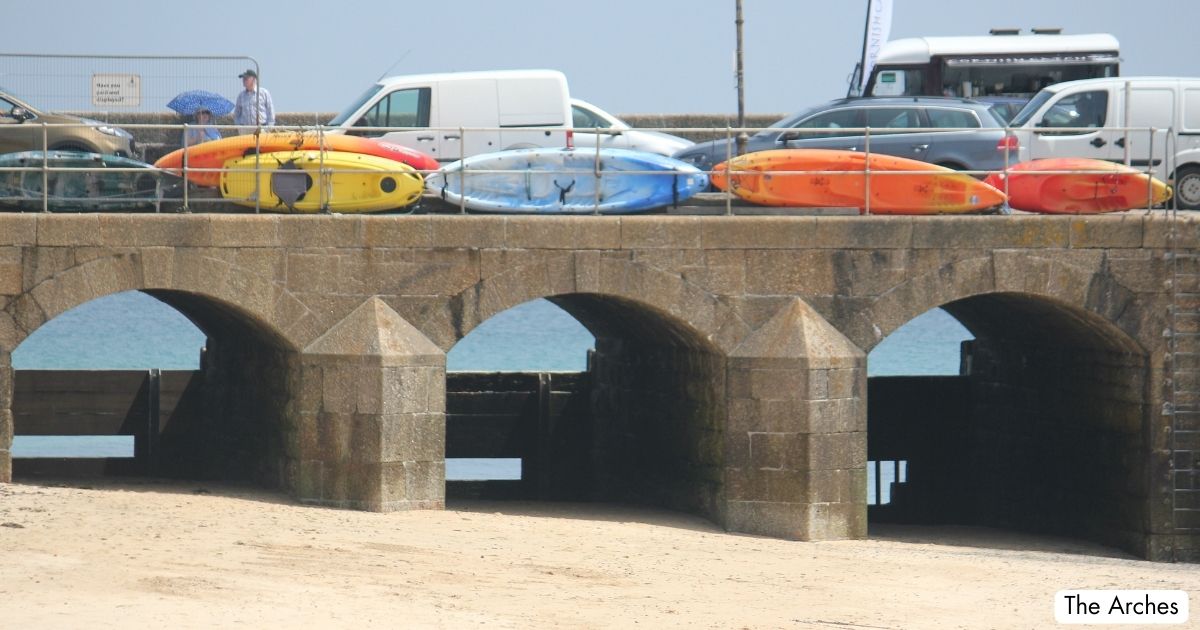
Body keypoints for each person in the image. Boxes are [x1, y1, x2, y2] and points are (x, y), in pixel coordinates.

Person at [233, 69, 274, 134]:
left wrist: (269, 128)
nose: (243, 80)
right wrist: (239, 127)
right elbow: (237, 114)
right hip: (245, 129)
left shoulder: (264, 93)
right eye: (243, 79)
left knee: (260, 144)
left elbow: (270, 111)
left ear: (254, 79)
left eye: (246, 78)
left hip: (261, 128)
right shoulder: (241, 96)